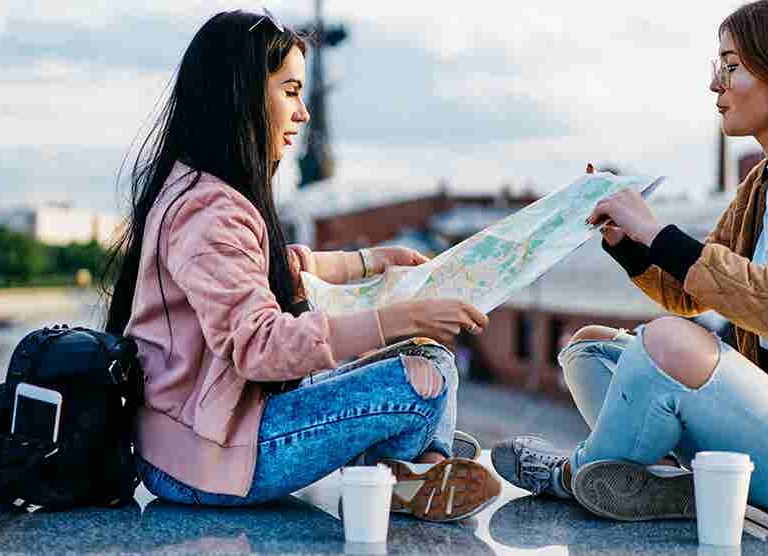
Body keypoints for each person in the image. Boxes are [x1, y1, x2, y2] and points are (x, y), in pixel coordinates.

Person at [492, 0, 768, 524]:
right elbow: (692, 293)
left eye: (731, 67)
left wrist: (657, 230)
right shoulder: (765, 180)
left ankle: (571, 473)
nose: (715, 85)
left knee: (663, 343)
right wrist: (629, 241)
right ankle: (692, 486)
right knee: (588, 350)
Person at [102, 9, 500, 522]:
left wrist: (366, 262)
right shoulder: (210, 211)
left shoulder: (199, 191)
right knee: (425, 383)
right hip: (208, 462)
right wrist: (405, 318)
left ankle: (420, 468)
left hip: (209, 432)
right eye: (290, 91)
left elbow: (263, 270)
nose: (303, 112)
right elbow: (259, 346)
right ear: (241, 94)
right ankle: (422, 463)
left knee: (429, 360)